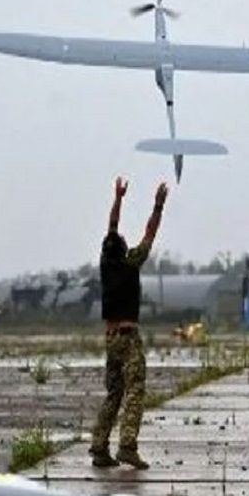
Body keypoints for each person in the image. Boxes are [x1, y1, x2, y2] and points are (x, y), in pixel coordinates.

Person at [89, 176, 168, 470]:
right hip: (128, 335)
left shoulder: (105, 264)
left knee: (114, 393)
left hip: (110, 338)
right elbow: (150, 233)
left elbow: (112, 225)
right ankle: (127, 446)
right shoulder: (130, 261)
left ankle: (99, 448)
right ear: (123, 248)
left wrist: (119, 198)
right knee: (135, 390)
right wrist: (158, 206)